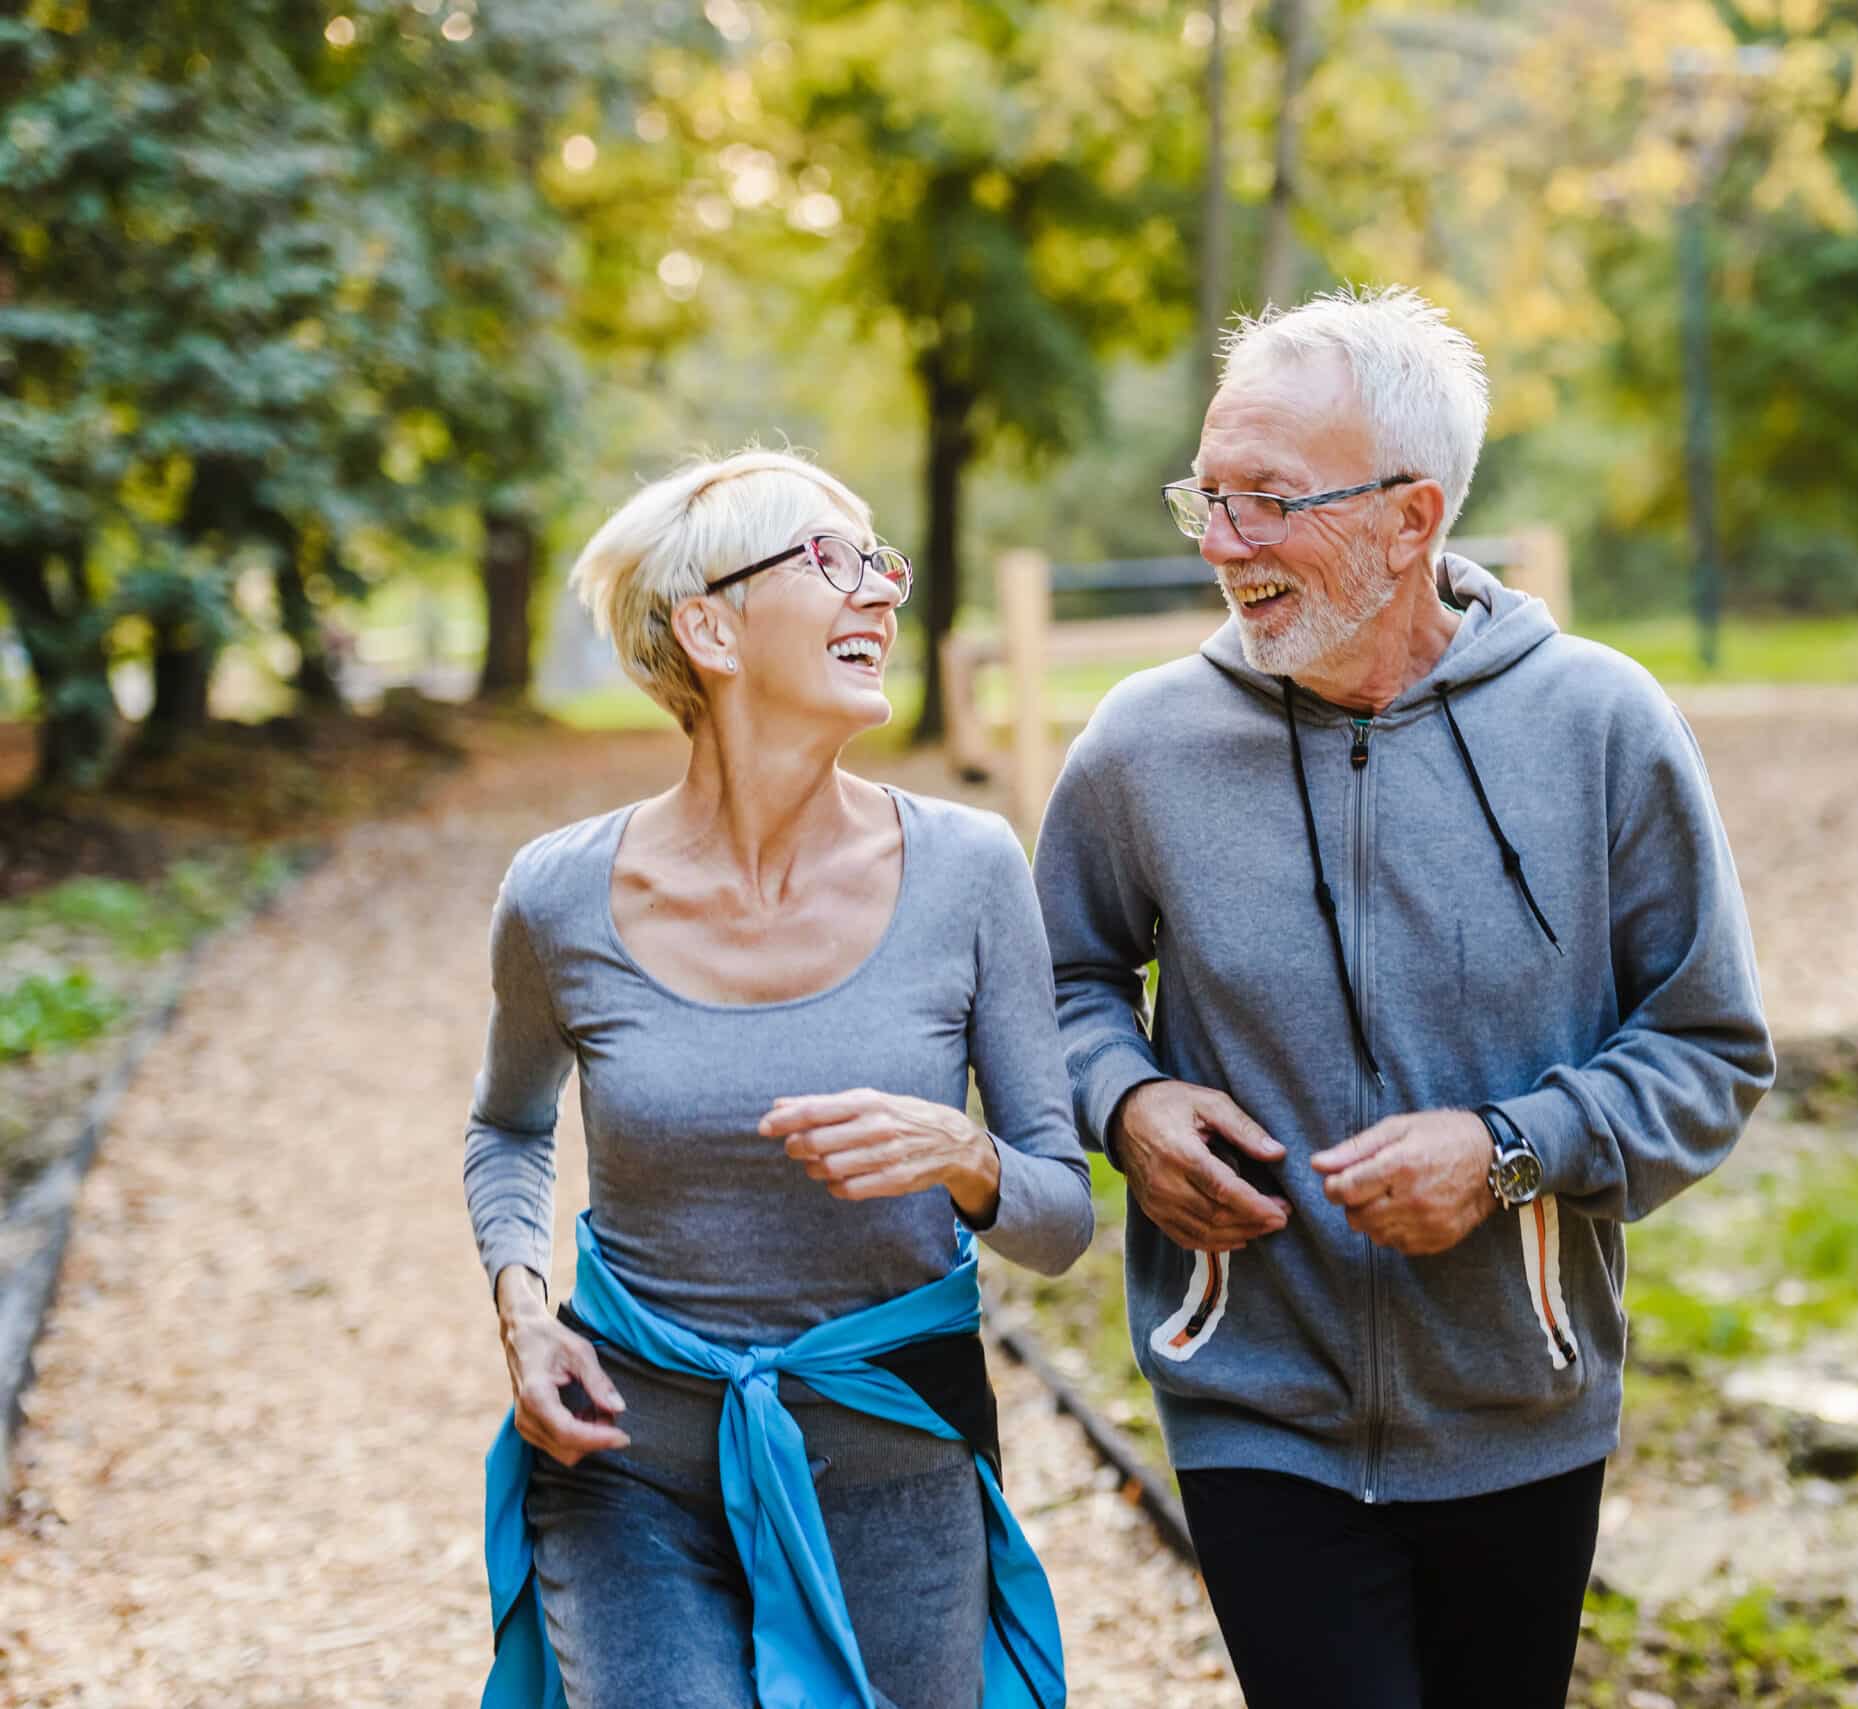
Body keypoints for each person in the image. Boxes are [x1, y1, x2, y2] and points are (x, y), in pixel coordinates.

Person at [1034, 287, 1773, 1709]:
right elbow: (1061, 978)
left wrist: (1508, 1152)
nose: (1223, 544)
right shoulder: (1146, 745)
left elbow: (1709, 1047)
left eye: (1268, 502)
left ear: (1413, 517)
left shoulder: (1600, 725)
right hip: (1252, 1398)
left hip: (1524, 1401)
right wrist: (1127, 1102)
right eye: (1209, 496)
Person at [465, 448, 1089, 1709]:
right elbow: (508, 1129)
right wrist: (525, 1314)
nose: (880, 595)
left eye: (882, 565)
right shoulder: (559, 893)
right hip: (625, 1471)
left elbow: (1064, 1217)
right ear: (709, 626)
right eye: (828, 561)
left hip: (895, 1465)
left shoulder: (969, 870)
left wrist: (961, 1157)